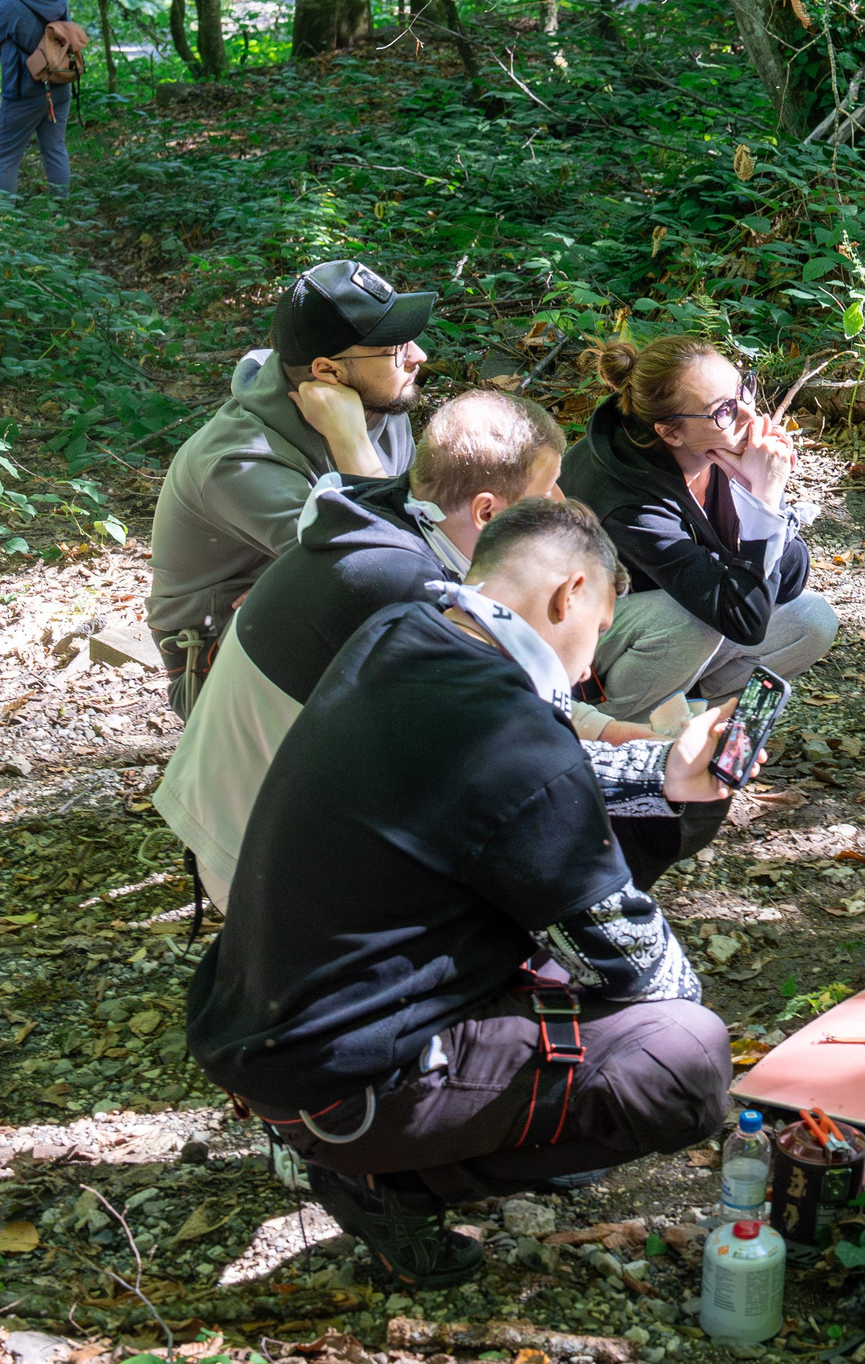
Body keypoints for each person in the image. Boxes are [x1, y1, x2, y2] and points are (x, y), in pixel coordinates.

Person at [186, 499, 735, 1290]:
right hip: (351, 1085)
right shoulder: (517, 744)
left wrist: (665, 775)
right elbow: (651, 977)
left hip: (264, 1028)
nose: (589, 667)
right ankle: (396, 1182)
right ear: (568, 593)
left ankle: (440, 1141)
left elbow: (516, 784)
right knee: (683, 1058)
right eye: (600, 629)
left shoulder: (402, 635)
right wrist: (691, 816)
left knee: (577, 976)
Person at [155, 390, 678, 911]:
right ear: (487, 511)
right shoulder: (406, 593)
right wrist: (657, 769)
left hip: (229, 814)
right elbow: (508, 756)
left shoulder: (375, 519)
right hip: (256, 861)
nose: (562, 502)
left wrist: (604, 729)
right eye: (546, 490)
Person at [147, 260, 432, 717]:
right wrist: (351, 443)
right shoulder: (240, 460)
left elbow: (427, 536)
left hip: (309, 624)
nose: (417, 356)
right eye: (395, 348)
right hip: (216, 666)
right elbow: (392, 574)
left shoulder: (383, 404)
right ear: (328, 371)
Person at [561, 336, 838, 726]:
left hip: (670, 626)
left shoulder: (713, 448)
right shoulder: (630, 506)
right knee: (693, 624)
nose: (748, 415)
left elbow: (788, 582)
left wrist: (762, 500)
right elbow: (741, 619)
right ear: (671, 433)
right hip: (581, 642)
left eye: (744, 390)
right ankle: (613, 732)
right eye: (724, 409)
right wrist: (764, 503)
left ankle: (685, 714)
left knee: (813, 622)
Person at [0, 0, 80, 196]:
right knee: (55, 149)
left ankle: (5, 224)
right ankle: (61, 212)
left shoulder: (9, 6)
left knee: (6, 158)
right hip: (58, 86)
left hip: (22, 93)